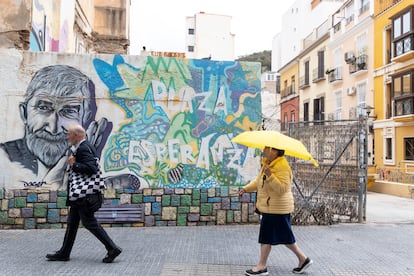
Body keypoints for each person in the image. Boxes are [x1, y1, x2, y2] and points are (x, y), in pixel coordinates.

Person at [0, 65, 110, 189]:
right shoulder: (3, 159)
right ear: (24, 113)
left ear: (86, 119)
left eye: (69, 111)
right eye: (43, 108)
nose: (53, 129)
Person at [46, 124, 122, 263]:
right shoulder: (84, 146)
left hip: (84, 196)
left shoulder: (83, 148)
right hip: (81, 197)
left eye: (69, 134)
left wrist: (73, 165)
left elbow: (92, 168)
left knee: (89, 223)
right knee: (72, 223)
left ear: (76, 135)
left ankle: (112, 248)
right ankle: (64, 252)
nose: (67, 137)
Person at [238, 147, 313, 275]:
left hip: (276, 208)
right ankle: (303, 259)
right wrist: (245, 189)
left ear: (275, 151)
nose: (265, 150)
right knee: (285, 238)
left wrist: (270, 175)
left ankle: (261, 266)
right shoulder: (268, 164)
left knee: (266, 237)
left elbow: (282, 189)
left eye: (268, 148)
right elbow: (259, 181)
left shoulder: (282, 166)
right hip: (273, 207)